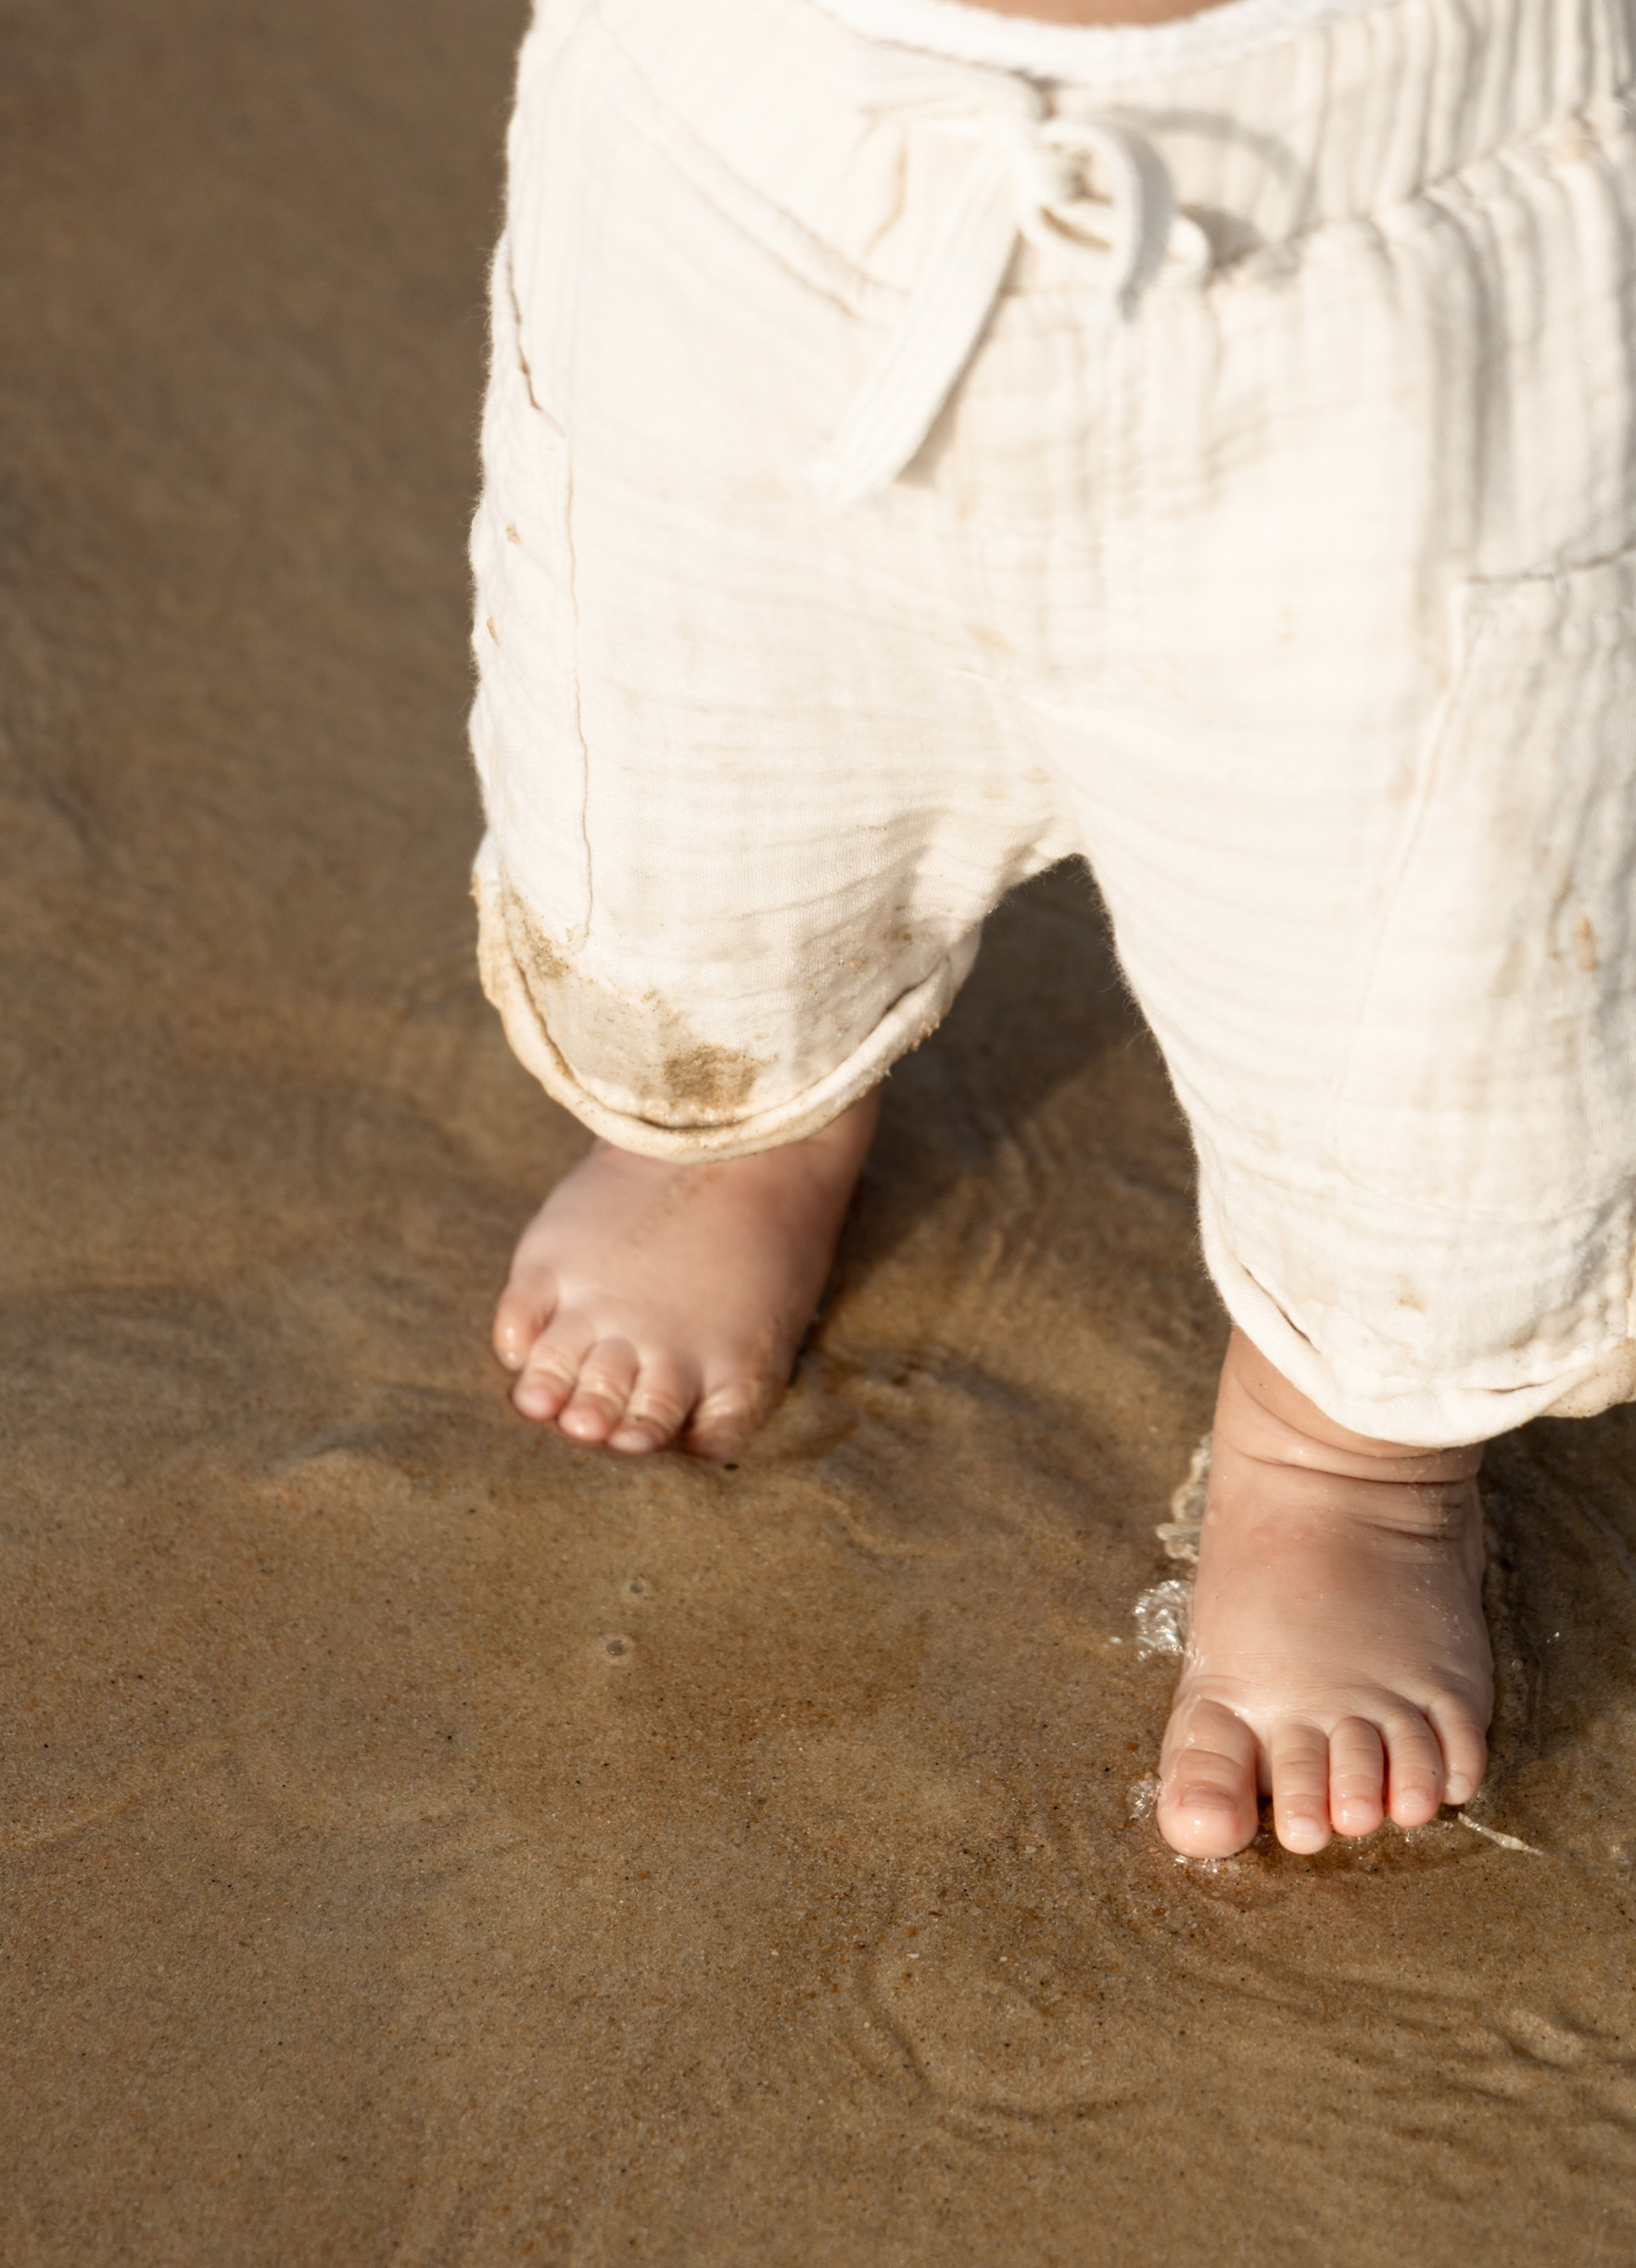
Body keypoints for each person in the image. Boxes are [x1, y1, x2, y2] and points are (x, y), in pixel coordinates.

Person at [469, 0, 1636, 1856]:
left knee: (1435, 946)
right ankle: (736, 1121)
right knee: (712, 761)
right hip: (757, 145)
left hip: (1423, 216)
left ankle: (1339, 1448)